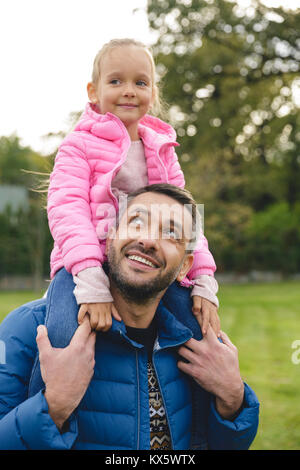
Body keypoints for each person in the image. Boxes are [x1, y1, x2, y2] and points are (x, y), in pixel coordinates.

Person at [0, 184, 259, 450]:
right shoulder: (26, 328)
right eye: (137, 222)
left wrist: (233, 397)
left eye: (171, 233)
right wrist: (54, 404)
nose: (147, 240)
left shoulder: (195, 345)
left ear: (184, 266)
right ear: (110, 240)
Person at [47, 37, 220, 336]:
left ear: (152, 93)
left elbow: (186, 220)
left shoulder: (163, 149)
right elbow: (67, 212)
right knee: (63, 332)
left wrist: (203, 276)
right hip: (83, 263)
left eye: (140, 83)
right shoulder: (77, 145)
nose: (129, 90)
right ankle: (50, 385)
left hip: (147, 262)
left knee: (197, 328)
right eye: (116, 81)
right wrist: (90, 279)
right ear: (94, 92)